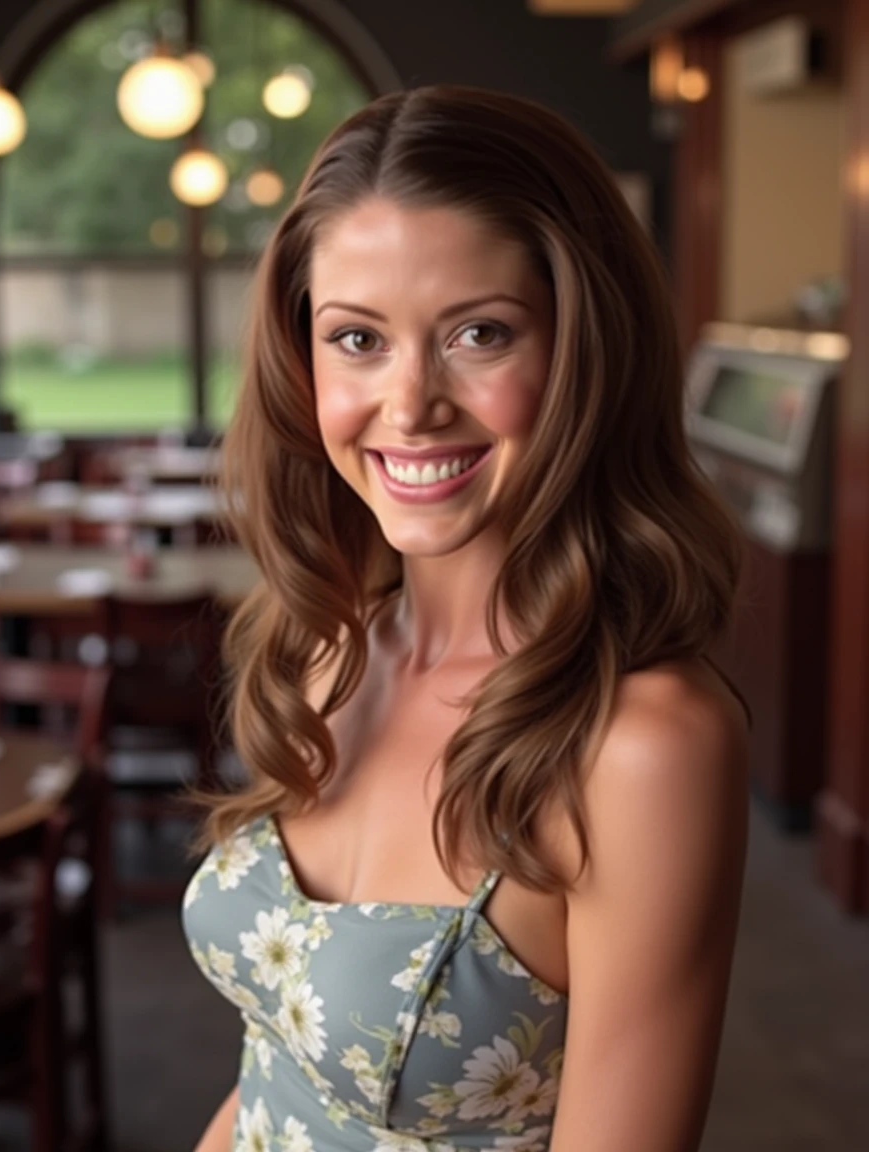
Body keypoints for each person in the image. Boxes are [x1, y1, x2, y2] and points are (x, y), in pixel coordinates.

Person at [183, 84, 750, 1152]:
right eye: (356, 340)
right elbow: (279, 1074)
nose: (408, 405)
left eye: (478, 334)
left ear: (587, 349)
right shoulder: (327, 647)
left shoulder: (641, 745)